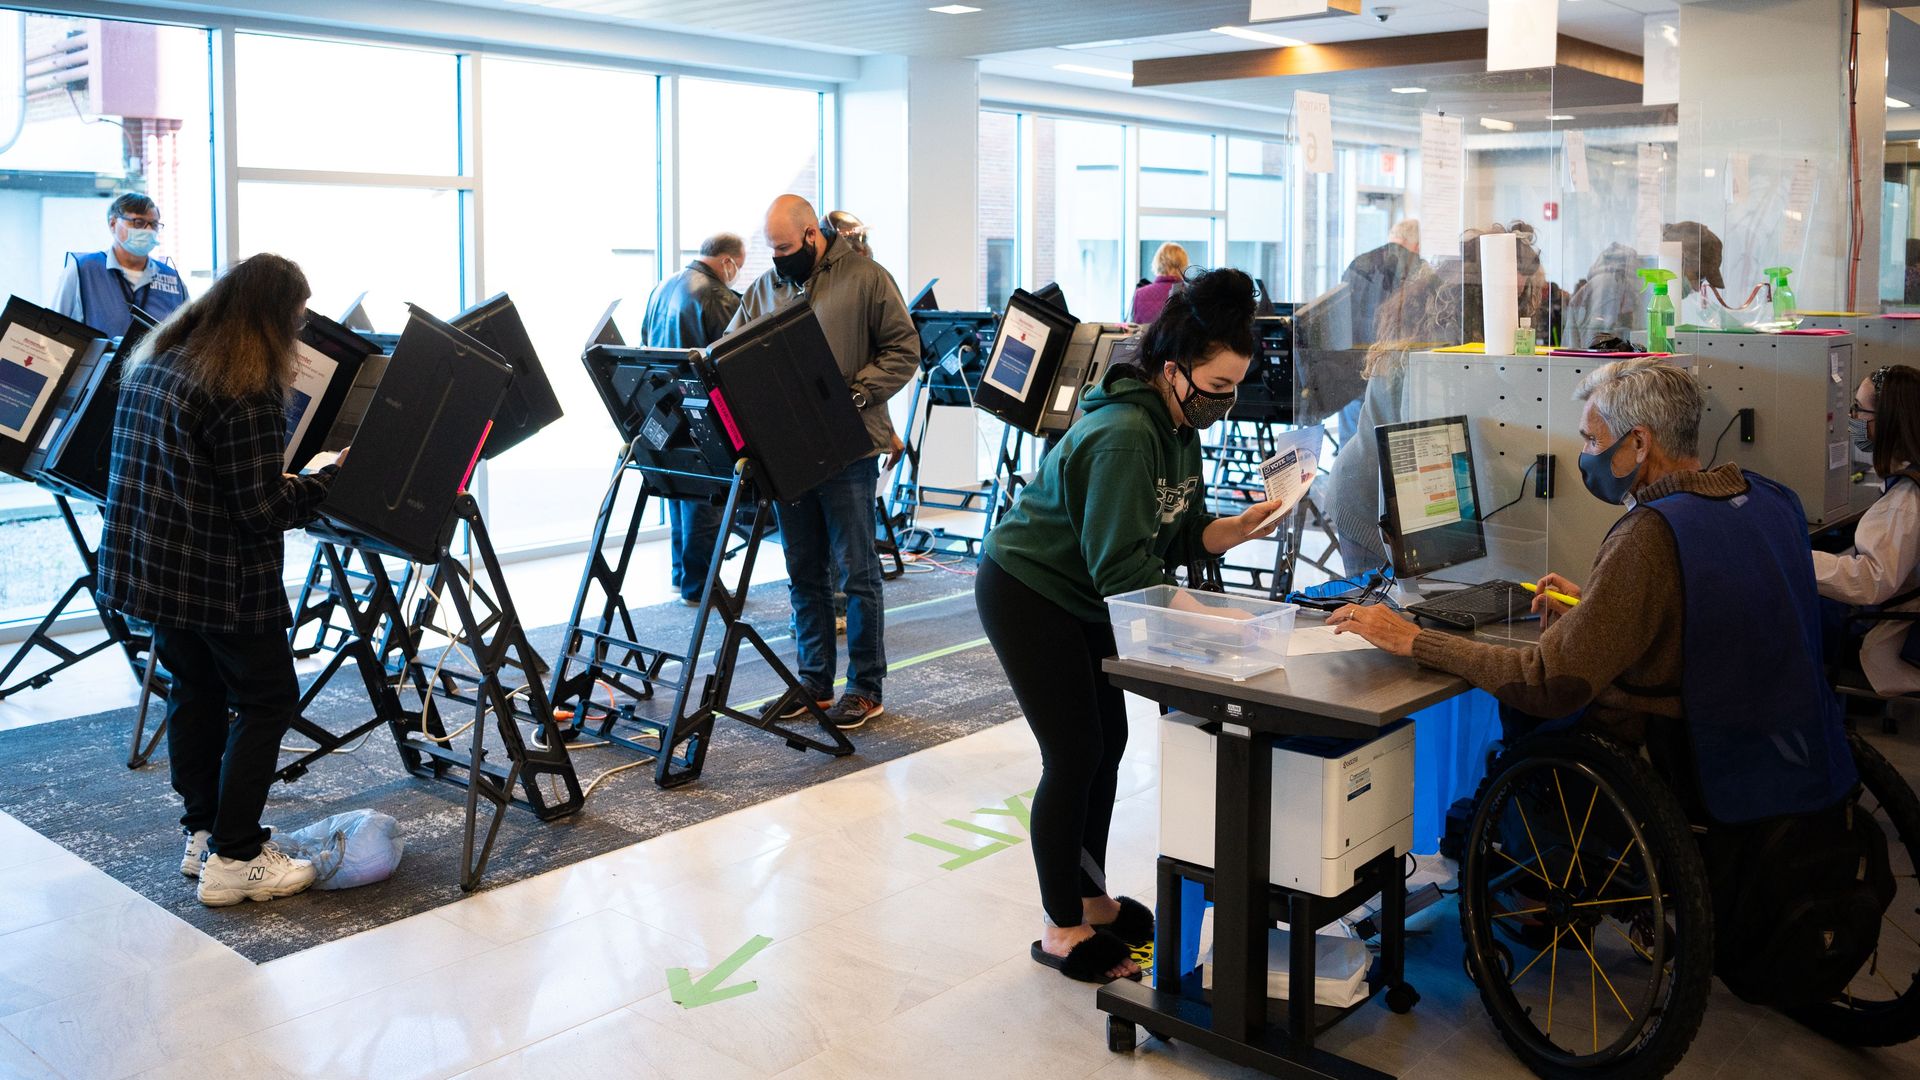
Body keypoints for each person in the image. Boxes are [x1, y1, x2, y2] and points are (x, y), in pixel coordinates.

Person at [1329, 359, 1854, 824]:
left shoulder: (1649, 532)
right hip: (1777, 747)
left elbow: (1545, 682)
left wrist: (1414, 640)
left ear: (1640, 442)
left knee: (1523, 722)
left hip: (1665, 757)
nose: (1585, 454)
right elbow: (1719, 604)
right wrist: (1598, 605)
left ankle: (1531, 883)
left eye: (1592, 440)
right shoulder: (1765, 497)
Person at [977, 267, 1290, 983]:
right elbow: (1129, 578)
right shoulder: (1124, 435)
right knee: (1075, 753)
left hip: (1083, 591)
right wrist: (1221, 626)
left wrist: (1232, 529)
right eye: (1216, 389)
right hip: (1031, 589)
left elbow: (1175, 537)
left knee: (1108, 743)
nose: (1225, 403)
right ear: (1174, 371)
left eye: (1234, 389)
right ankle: (1062, 929)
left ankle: (1091, 898)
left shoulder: (1177, 426)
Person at [97, 253, 337, 907]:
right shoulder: (246, 385)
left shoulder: (161, 360)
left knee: (194, 691)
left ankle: (204, 833)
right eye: (296, 320)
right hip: (218, 578)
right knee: (267, 700)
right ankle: (236, 856)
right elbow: (259, 509)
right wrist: (322, 482)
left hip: (156, 572)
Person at [727, 194, 918, 730]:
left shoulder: (867, 278)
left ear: (812, 235)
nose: (777, 259)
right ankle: (814, 681)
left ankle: (865, 686)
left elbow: (904, 349)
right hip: (788, 453)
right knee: (802, 572)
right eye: (771, 250)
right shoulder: (766, 288)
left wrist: (854, 395)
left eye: (785, 248)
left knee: (857, 573)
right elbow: (730, 352)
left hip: (849, 447)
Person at [641, 232, 745, 605]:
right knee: (708, 500)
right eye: (739, 266)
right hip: (702, 409)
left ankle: (680, 574)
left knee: (679, 490)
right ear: (727, 261)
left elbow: (643, 341)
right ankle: (700, 587)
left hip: (663, 408)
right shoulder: (718, 297)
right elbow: (731, 356)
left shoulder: (663, 287)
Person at [1818, 365, 1920, 696]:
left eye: (1858, 410)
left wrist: (1795, 558)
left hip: (1896, 632)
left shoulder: (1906, 500)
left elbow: (1871, 583)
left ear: (1887, 422)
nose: (1852, 419)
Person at [51, 192, 188, 337]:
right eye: (138, 223)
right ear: (113, 224)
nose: (148, 230)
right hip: (98, 359)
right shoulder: (83, 271)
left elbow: (188, 337)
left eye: (154, 225)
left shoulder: (173, 281)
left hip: (153, 360)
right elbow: (53, 332)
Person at [1341, 218, 1421, 347]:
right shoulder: (1415, 266)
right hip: (1391, 349)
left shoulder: (1358, 263)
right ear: (1418, 246)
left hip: (1352, 348)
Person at [1130, 243, 1188, 325]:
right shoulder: (1189, 293)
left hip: (1149, 338)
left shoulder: (1140, 293)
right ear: (1183, 264)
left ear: (1157, 263)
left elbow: (1135, 327)